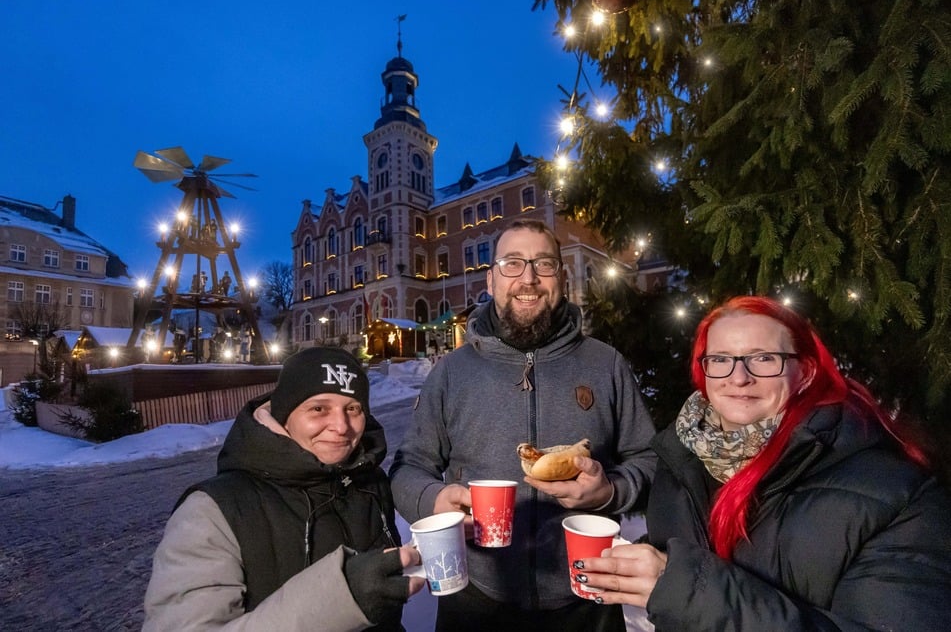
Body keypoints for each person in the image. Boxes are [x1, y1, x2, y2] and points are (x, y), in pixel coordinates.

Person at [572, 296, 951, 630]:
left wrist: (686, 588)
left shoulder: (898, 496)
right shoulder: (681, 459)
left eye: (763, 359)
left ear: (805, 372)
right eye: (720, 359)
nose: (738, 377)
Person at [389, 219, 657, 631]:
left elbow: (649, 458)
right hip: (476, 600)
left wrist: (610, 490)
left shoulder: (606, 365)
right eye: (512, 264)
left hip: (588, 596)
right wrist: (432, 500)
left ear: (561, 278)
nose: (528, 278)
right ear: (491, 279)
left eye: (543, 264)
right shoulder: (452, 372)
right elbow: (409, 467)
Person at [144, 347, 424, 631]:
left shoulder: (369, 482)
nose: (341, 426)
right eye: (318, 409)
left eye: (352, 408)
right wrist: (335, 601)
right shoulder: (212, 511)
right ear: (284, 414)